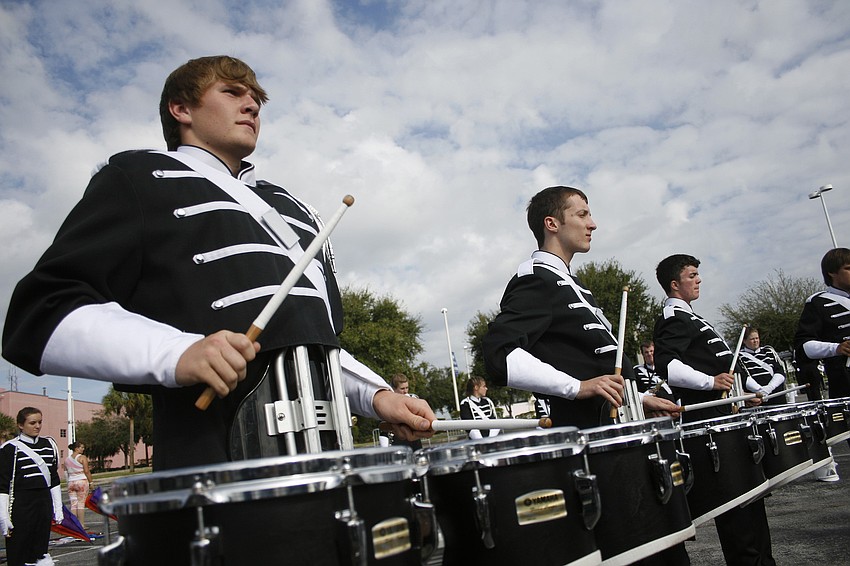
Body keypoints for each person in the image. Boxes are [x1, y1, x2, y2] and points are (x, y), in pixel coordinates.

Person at [1, 56, 435, 471]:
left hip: (329, 467)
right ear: (181, 108)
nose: (251, 105)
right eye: (231, 92)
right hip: (215, 472)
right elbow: (40, 316)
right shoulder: (140, 178)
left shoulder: (294, 209)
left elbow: (306, 346)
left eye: (256, 100)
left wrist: (377, 396)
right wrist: (179, 352)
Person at [483, 186, 681, 429]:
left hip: (620, 426)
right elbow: (498, 354)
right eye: (582, 215)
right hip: (590, 436)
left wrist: (639, 400)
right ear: (552, 224)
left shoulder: (571, 284)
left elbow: (587, 366)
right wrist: (577, 387)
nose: (592, 224)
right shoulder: (536, 278)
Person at [653, 254, 775, 566]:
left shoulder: (693, 319)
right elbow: (669, 367)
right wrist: (711, 382)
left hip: (726, 422)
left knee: (753, 516)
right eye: (692, 275)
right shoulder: (673, 318)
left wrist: (744, 393)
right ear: (674, 284)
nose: (698, 279)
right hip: (709, 430)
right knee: (741, 523)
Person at [794, 247, 850, 482]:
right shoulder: (819, 303)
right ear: (832, 274)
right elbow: (803, 345)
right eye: (848, 268)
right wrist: (836, 348)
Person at [0, 407, 63, 566]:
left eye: (40, 422)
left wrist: (58, 508)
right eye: (32, 423)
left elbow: (53, 479)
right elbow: (3, 485)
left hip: (43, 503)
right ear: (21, 425)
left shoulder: (49, 445)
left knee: (40, 549)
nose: (37, 426)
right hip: (21, 505)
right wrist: (4, 516)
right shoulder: (10, 448)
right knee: (19, 549)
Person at [739, 327, 786, 406]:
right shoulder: (739, 357)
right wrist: (760, 390)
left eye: (757, 338)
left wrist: (769, 388)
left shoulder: (769, 351)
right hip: (758, 399)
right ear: (744, 341)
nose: (755, 341)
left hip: (777, 395)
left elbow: (780, 371)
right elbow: (744, 377)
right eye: (752, 339)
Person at [378, 374, 423, 450]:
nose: (405, 391)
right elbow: (384, 427)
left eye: (407, 388)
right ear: (394, 389)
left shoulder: (413, 399)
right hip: (396, 439)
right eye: (402, 388)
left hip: (413, 439)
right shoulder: (387, 403)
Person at [65, 441, 93, 532]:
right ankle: (81, 524)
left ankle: (74, 524)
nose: (83, 449)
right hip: (81, 481)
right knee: (81, 503)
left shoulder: (67, 459)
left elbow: (66, 472)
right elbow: (86, 471)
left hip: (71, 482)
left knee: (73, 504)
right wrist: (91, 482)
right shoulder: (82, 458)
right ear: (76, 448)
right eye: (81, 447)